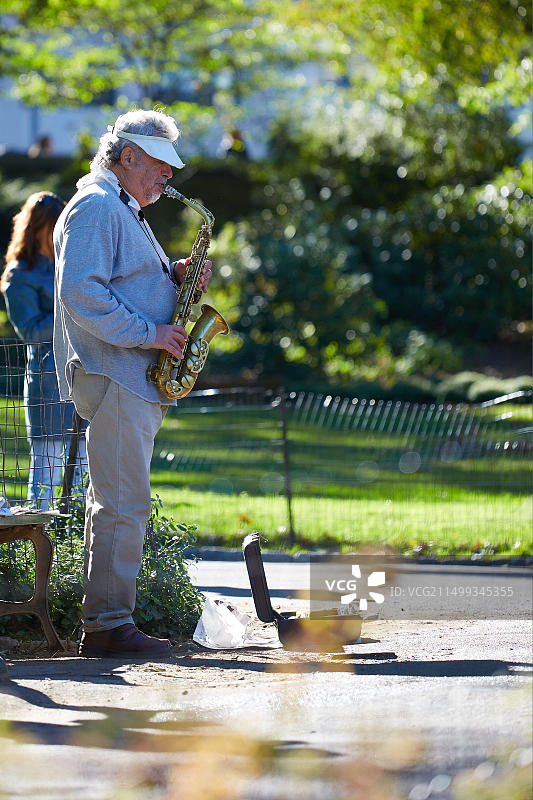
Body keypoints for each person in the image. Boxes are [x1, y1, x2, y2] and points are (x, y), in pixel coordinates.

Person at [53, 109, 212, 658]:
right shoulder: (98, 206)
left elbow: (119, 278)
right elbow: (83, 291)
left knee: (118, 503)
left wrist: (172, 272)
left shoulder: (118, 206)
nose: (168, 177)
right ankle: (109, 626)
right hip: (117, 372)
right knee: (123, 505)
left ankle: (107, 621)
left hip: (128, 376)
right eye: (161, 166)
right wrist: (151, 333)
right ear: (129, 158)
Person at [1, 192, 86, 509]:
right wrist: (73, 308)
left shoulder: (69, 264)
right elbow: (32, 332)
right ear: (35, 229)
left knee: (84, 474)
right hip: (47, 384)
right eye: (52, 227)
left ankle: (77, 544)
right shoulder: (18, 277)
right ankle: (42, 546)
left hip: (81, 377)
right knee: (47, 476)